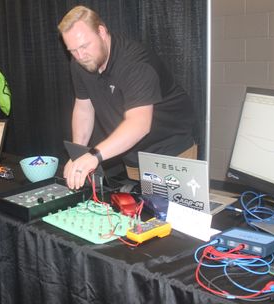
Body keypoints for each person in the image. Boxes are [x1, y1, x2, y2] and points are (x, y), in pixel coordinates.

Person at [58, 6, 197, 189]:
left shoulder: (135, 63)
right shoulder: (79, 63)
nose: (80, 56)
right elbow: (84, 108)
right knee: (141, 213)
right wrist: (78, 154)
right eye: (72, 50)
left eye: (84, 46)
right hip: (132, 153)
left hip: (170, 151)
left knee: (171, 215)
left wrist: (94, 156)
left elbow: (139, 124)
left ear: (101, 31)